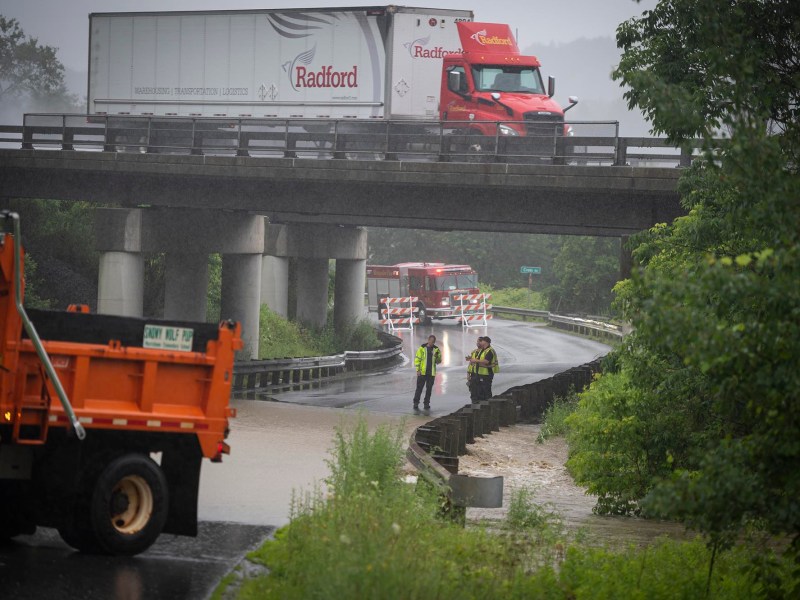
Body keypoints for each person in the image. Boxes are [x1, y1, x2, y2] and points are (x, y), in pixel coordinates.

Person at [412, 334, 442, 410]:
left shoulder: (436, 350)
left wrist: (436, 356)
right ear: (428, 340)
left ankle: (426, 403)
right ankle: (416, 403)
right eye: (431, 341)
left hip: (431, 373)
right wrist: (418, 370)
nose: (432, 343)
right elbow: (417, 359)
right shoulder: (422, 348)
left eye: (433, 342)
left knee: (429, 389)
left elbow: (439, 361)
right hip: (422, 372)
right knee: (419, 388)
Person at [468, 336, 498, 401]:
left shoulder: (490, 351)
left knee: (486, 391)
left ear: (485, 342)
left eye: (481, 341)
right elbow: (477, 360)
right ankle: (480, 405)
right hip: (479, 374)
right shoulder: (482, 350)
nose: (480, 342)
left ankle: (488, 405)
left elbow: (486, 361)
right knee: (479, 392)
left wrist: (475, 361)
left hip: (487, 374)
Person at [465, 337, 483, 402]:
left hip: (481, 374)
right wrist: (468, 374)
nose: (477, 343)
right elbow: (470, 363)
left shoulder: (484, 352)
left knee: (480, 392)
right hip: (473, 374)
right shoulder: (474, 352)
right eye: (477, 341)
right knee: (473, 392)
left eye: (479, 341)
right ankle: (474, 405)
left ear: (482, 342)